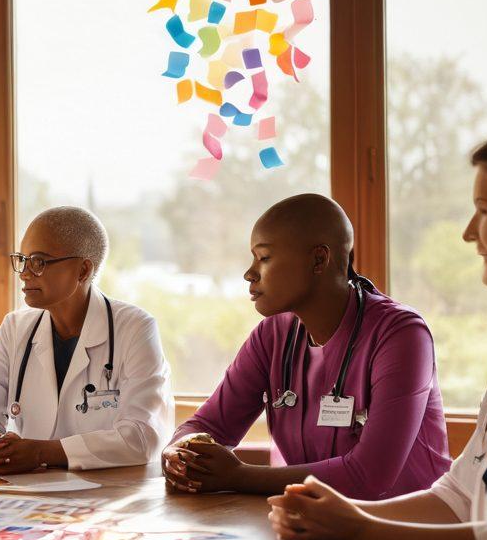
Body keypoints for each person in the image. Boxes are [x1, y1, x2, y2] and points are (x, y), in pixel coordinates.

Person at [268, 128, 487, 540]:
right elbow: (458, 497)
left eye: (484, 209)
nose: (470, 233)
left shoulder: (401, 332)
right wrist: (341, 516)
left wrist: (359, 529)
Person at [164, 194, 450, 498]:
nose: (250, 274)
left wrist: (238, 476)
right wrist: (179, 452)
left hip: (407, 530)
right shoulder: (272, 335)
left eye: (263, 258)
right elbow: (209, 425)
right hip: (318, 523)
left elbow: (369, 476)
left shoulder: (402, 335)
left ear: (318, 260)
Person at [0, 206, 173, 474]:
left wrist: (42, 452)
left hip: (108, 497)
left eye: (39, 262)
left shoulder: (135, 328)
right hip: (29, 494)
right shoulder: (16, 328)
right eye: (22, 259)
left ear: (82, 271)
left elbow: (142, 436)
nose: (24, 273)